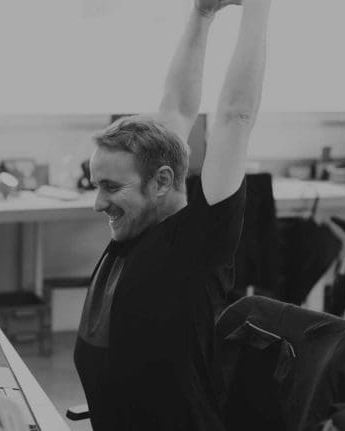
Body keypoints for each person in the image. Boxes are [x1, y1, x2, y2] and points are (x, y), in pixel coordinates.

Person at [73, 0, 272, 429]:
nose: (98, 203)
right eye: (96, 185)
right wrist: (201, 15)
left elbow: (236, 116)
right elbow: (177, 108)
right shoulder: (139, 227)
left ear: (162, 181)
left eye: (110, 187)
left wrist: (259, 6)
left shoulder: (196, 243)